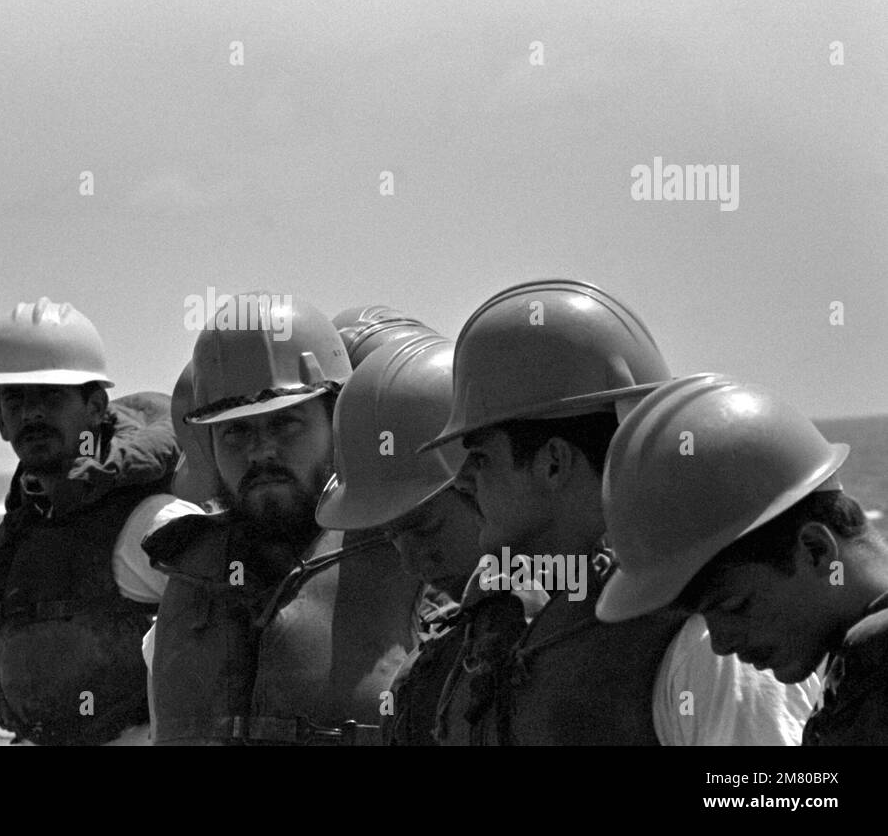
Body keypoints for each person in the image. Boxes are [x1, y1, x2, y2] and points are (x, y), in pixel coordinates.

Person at [419, 279, 819, 745]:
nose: (462, 480)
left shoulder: (709, 635)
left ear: (553, 462)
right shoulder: (559, 614)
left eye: (481, 456)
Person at [145, 291, 423, 745]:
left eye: (285, 423)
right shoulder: (189, 577)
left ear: (337, 421)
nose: (261, 452)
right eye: (235, 431)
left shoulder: (413, 556)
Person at [596, 373, 888, 745]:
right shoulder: (858, 668)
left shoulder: (877, 658)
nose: (721, 644)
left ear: (816, 550)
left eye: (736, 606)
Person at [0, 297, 195, 745]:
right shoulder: (22, 527)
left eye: (51, 396)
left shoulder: (150, 522)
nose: (32, 414)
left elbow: (238, 636)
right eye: (15, 399)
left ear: (96, 406)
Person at [316, 331, 488, 744]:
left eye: (426, 527)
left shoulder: (607, 623)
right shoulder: (426, 679)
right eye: (392, 537)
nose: (412, 563)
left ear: (484, 476)